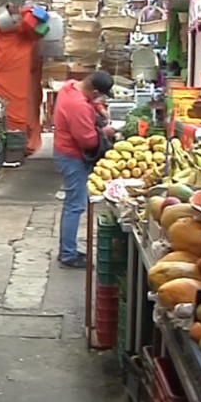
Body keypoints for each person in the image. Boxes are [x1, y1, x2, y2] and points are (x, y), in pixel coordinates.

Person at [53, 71, 116, 269]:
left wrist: (98, 107)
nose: (98, 99)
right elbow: (87, 140)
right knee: (75, 205)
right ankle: (68, 255)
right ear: (95, 90)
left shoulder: (70, 86)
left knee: (73, 203)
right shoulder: (78, 106)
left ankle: (67, 249)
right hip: (72, 157)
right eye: (98, 96)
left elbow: (88, 102)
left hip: (64, 151)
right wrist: (105, 132)